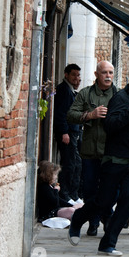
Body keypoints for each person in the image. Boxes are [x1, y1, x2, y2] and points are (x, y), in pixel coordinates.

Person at [68, 59, 129, 256]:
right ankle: (79, 218)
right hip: (115, 159)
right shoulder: (119, 98)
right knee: (103, 201)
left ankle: (108, 243)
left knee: (128, 200)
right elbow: (110, 125)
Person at [67, 61, 117, 236]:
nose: (108, 76)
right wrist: (90, 115)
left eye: (111, 72)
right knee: (89, 190)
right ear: (96, 74)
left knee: (109, 191)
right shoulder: (85, 94)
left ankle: (107, 217)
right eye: (104, 72)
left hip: (111, 152)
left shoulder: (118, 95)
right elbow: (70, 115)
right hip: (89, 151)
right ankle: (93, 222)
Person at [53, 64, 82, 205]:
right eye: (74, 75)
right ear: (66, 75)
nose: (77, 78)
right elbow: (61, 113)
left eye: (78, 75)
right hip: (68, 133)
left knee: (76, 163)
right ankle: (65, 194)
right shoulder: (64, 90)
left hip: (73, 132)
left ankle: (73, 194)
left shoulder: (70, 90)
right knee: (69, 164)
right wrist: (64, 132)